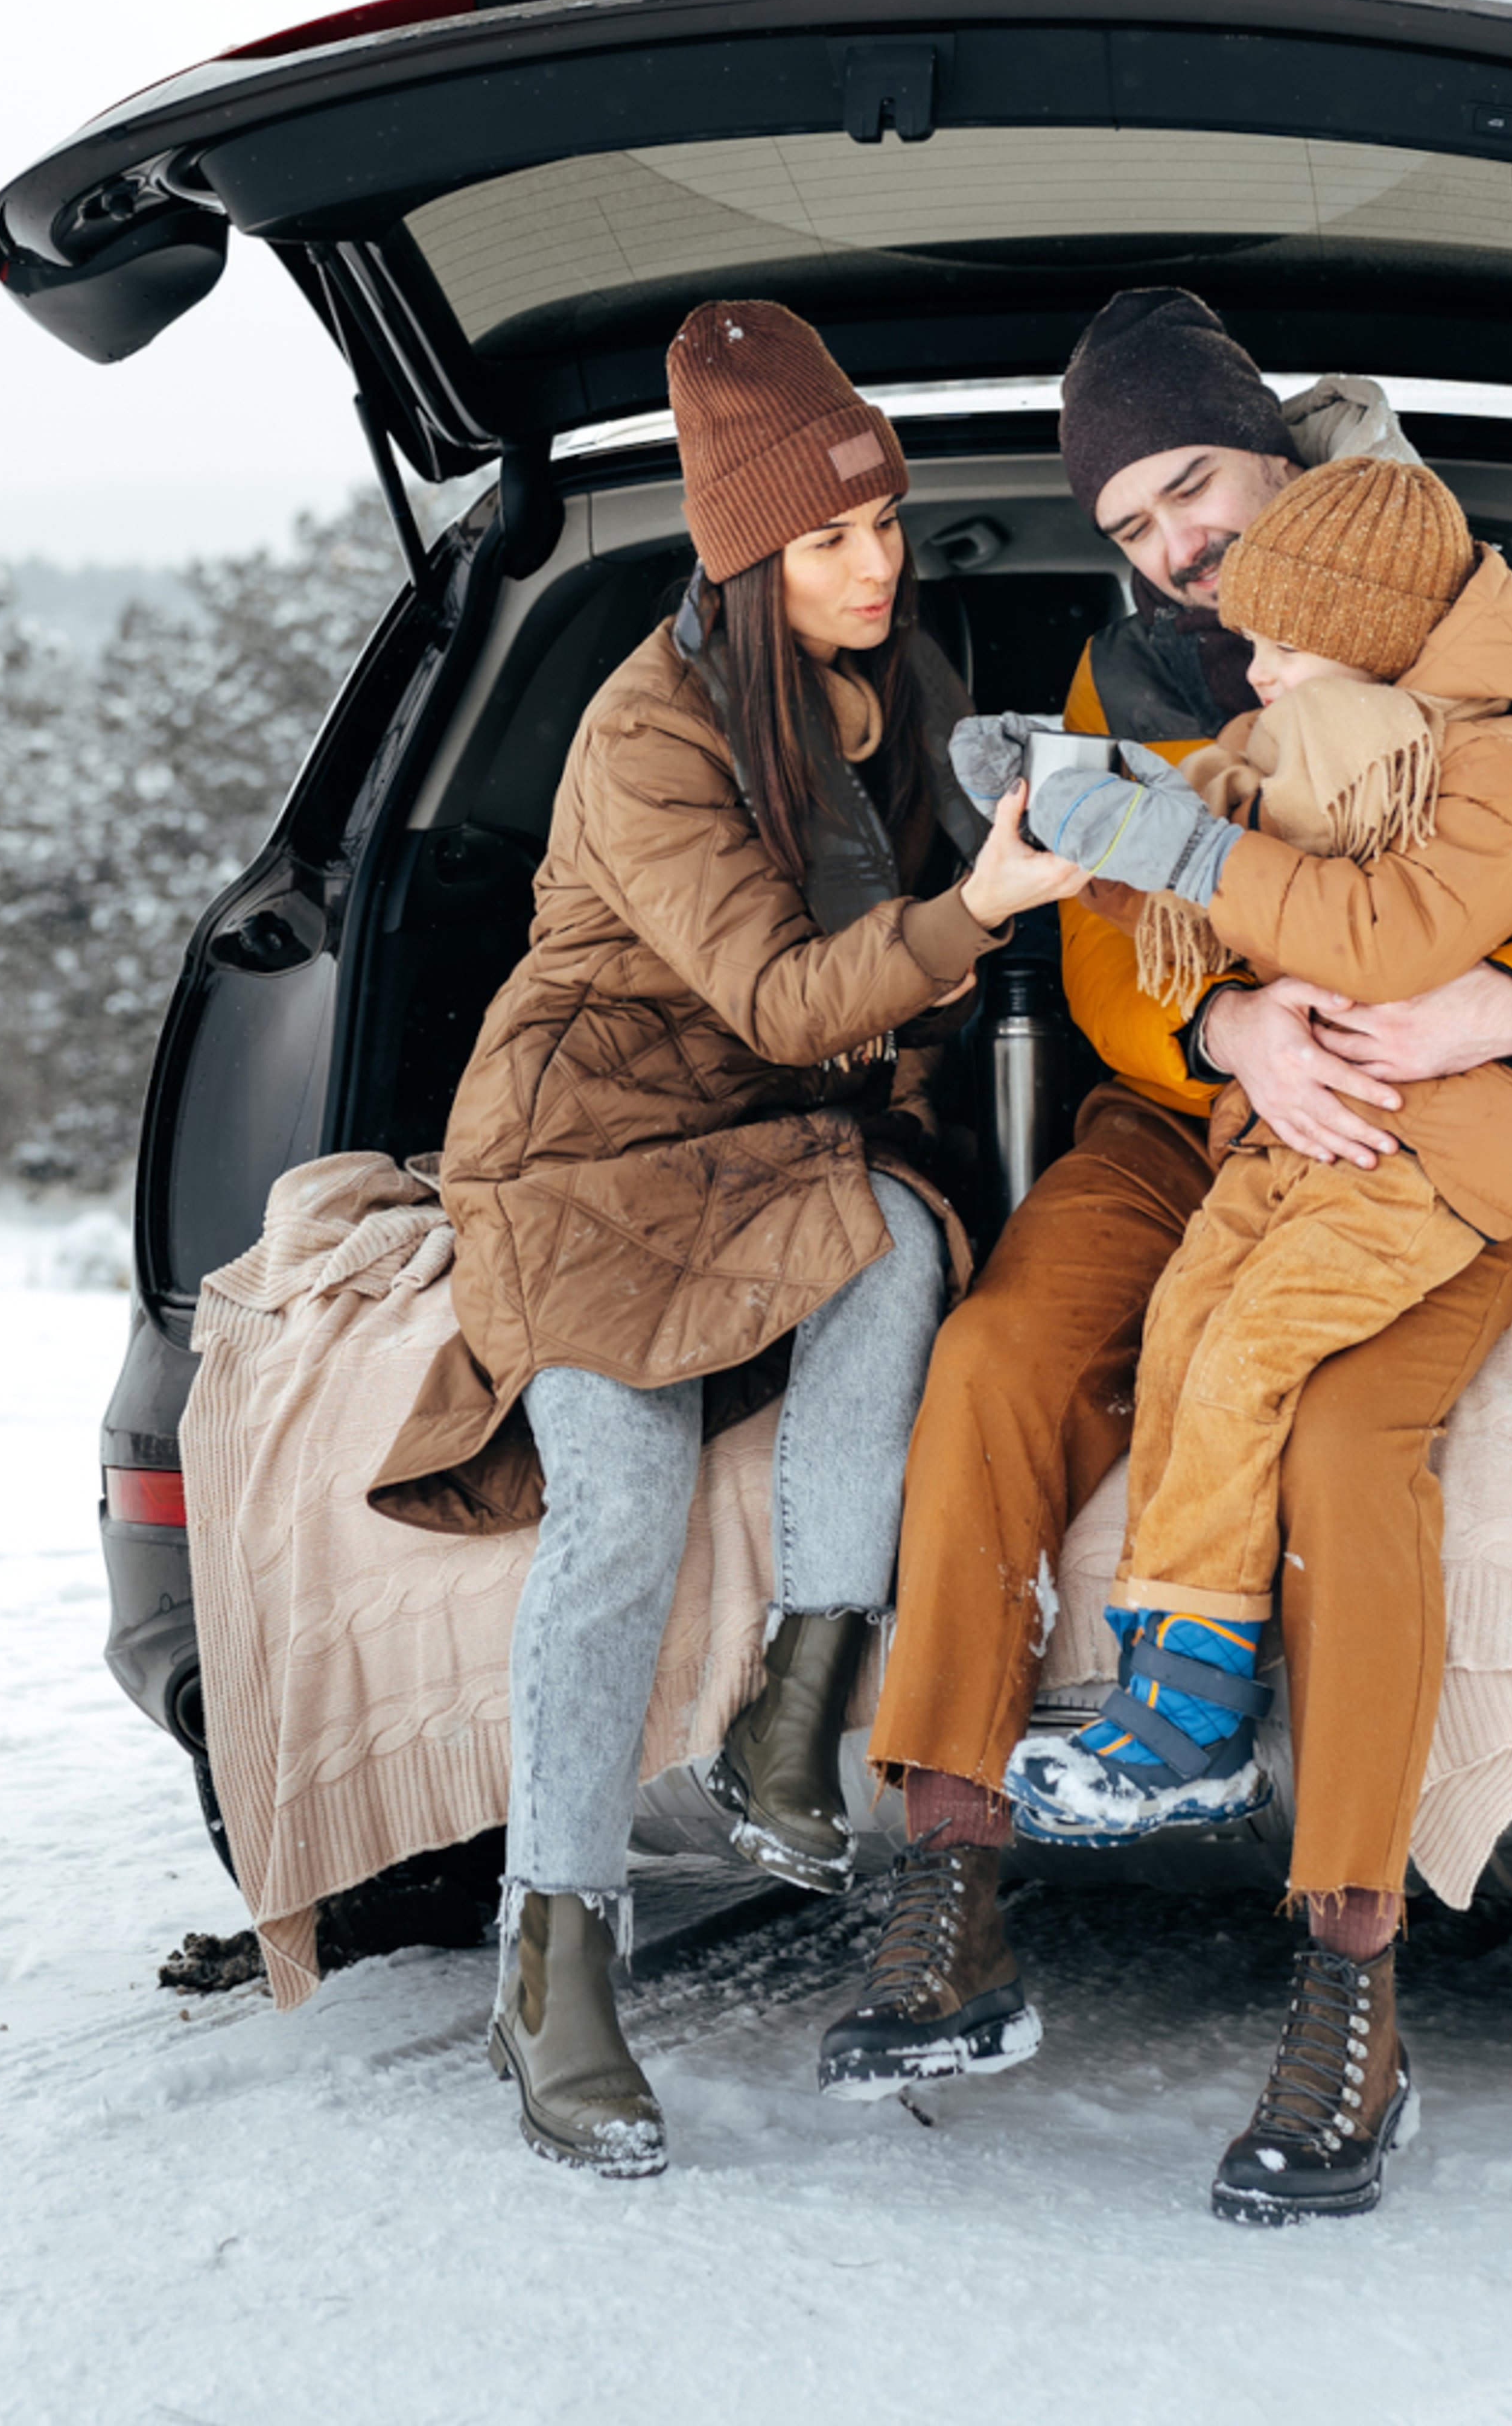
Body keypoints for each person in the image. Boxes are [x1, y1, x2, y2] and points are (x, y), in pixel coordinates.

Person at [825, 288, 1512, 2229]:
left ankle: (1352, 1987)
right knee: (997, 1360)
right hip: (1194, 1125)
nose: (1173, 545)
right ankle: (954, 1881)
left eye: (1193, 487)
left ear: (1279, 449)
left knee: (1341, 1446)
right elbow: (1097, 946)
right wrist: (1227, 1034)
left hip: (1421, 1125)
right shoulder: (1123, 681)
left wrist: (1509, 1006)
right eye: (1134, 524)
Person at [370, 299, 1085, 2177]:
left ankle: (800, 1706)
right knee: (622, 1492)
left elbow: (867, 984)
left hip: (770, 1145)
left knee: (904, 1251)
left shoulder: (887, 683)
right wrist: (980, 908)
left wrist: (1031, 831)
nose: (876, 565)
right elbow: (780, 993)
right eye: (829, 540)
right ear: (743, 552)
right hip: (586, 1153)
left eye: (882, 523)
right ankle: (557, 1953)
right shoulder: (649, 728)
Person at [1003, 454, 1512, 1847]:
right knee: (1184, 1327)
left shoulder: (1493, 764)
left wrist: (1191, 855)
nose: (1258, 676)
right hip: (1304, 1128)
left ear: (1374, 632)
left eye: (1284, 646)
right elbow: (1207, 852)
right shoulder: (1323, 743)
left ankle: (1196, 1719)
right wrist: (1092, 818)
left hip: (1437, 1151)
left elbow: (1387, 937)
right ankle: (1166, 1658)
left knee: (1251, 1351)